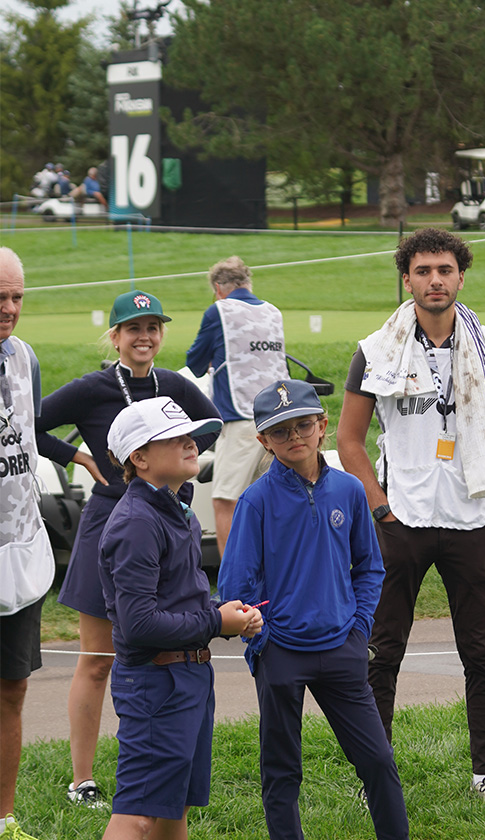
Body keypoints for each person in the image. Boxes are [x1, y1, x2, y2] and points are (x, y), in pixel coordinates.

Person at [336, 228, 485, 805]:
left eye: (445, 269)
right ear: (407, 278)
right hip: (403, 523)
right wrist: (379, 505)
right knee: (381, 651)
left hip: (472, 521)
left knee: (483, 653)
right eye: (423, 271)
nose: (435, 280)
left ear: (461, 276)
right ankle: (376, 776)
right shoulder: (376, 349)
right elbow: (349, 439)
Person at [35, 290, 221, 808]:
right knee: (98, 658)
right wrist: (84, 458)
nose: (144, 336)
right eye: (132, 328)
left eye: (152, 327)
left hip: (162, 520)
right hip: (108, 524)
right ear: (114, 336)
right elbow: (30, 423)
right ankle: (83, 779)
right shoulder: (93, 387)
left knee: (159, 645)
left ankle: (154, 764)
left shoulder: (175, 385)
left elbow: (212, 426)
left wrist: (176, 475)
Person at [219, 380, 409, 840]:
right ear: (264, 440)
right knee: (282, 770)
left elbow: (369, 567)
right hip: (281, 653)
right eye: (280, 431)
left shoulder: (348, 490)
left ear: (322, 426)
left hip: (343, 647)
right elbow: (236, 586)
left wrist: (359, 627)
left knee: (378, 760)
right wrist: (263, 641)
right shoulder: (255, 501)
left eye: (304, 424)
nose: (295, 437)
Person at [99, 397, 262, 840]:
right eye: (174, 438)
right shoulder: (137, 522)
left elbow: (180, 599)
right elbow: (140, 624)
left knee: (173, 808)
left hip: (187, 676)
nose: (191, 442)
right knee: (139, 813)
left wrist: (222, 615)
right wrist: (216, 623)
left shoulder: (178, 511)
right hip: (157, 682)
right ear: (141, 457)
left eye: (190, 434)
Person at [0, 247, 53, 840]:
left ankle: (4, 817)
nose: (10, 309)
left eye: (17, 297)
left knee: (11, 690)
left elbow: (30, 435)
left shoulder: (26, 357)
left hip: (19, 550)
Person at [186, 256, 289, 556]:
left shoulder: (219, 310)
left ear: (218, 288)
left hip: (241, 417)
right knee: (266, 502)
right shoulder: (273, 311)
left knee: (225, 500)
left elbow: (194, 363)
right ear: (248, 283)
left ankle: (234, 587)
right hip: (280, 418)